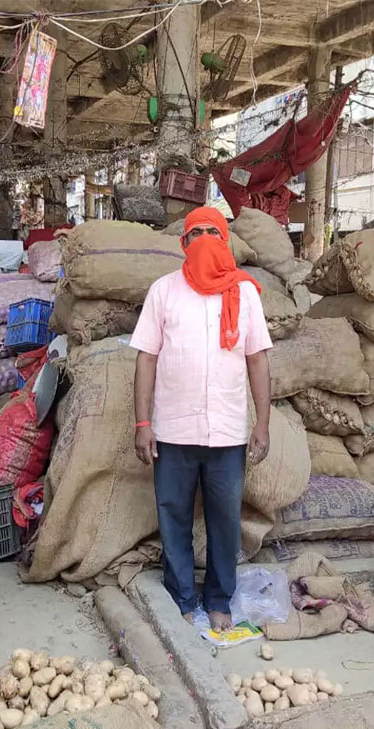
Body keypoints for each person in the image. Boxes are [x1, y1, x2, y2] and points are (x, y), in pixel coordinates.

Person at [131, 206, 272, 632]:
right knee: (172, 514)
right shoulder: (164, 291)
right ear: (184, 244)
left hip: (227, 431)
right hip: (173, 429)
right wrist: (142, 423)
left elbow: (258, 360)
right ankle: (181, 596)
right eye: (198, 232)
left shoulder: (245, 294)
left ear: (225, 240)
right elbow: (146, 358)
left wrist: (262, 423)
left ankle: (218, 599)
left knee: (224, 520)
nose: (206, 238)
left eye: (215, 231)